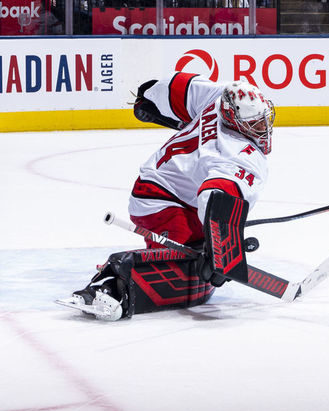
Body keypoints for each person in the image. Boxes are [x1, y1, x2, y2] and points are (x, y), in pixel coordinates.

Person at [58, 74, 275, 321]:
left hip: (168, 187)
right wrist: (223, 250)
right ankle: (110, 283)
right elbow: (214, 198)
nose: (262, 129)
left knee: (200, 253)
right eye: (253, 124)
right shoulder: (235, 154)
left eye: (262, 121)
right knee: (186, 269)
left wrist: (149, 94)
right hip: (160, 204)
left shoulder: (220, 97)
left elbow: (180, 88)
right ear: (232, 119)